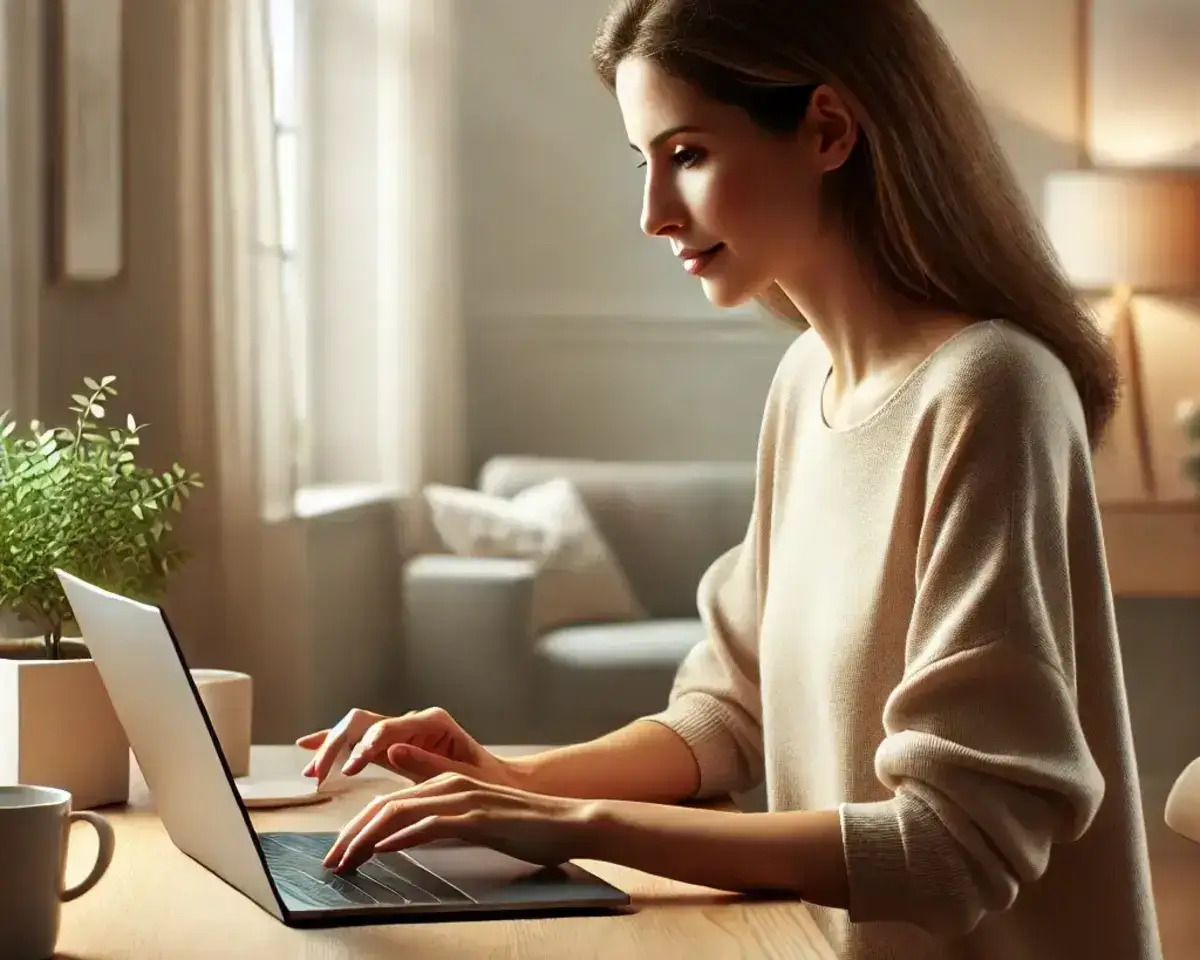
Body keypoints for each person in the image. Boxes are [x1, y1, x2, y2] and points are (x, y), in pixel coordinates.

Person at [297, 0, 1163, 956]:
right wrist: (510, 783)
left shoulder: (994, 391)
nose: (653, 214)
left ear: (828, 129)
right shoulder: (806, 384)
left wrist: (581, 828)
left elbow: (953, 844)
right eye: (645, 162)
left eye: (689, 155)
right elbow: (729, 711)